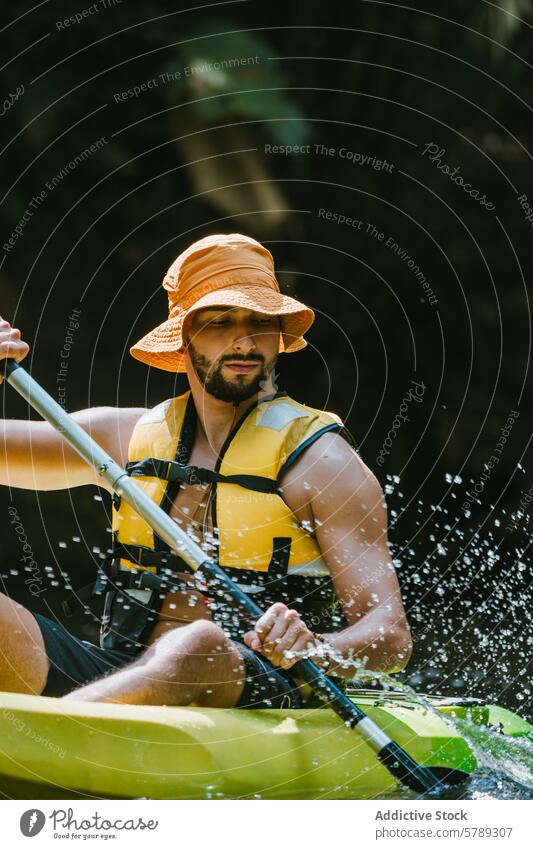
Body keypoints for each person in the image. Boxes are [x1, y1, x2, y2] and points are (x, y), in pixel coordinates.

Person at [0, 233, 412, 709]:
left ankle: (65, 732)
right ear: (183, 336)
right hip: (116, 674)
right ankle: (81, 724)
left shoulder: (321, 462)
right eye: (220, 322)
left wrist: (313, 647)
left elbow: (390, 635)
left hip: (255, 688)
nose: (244, 340)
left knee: (197, 644)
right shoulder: (121, 438)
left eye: (260, 322)